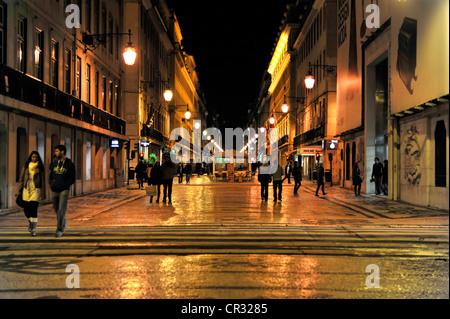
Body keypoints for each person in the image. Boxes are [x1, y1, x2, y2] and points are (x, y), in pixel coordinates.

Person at [16, 151, 46, 236]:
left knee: (34, 208)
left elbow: (43, 181)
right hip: (26, 190)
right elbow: (21, 179)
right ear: (30, 157)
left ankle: (33, 228)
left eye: (36, 157)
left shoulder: (40, 168)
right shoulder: (26, 167)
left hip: (36, 190)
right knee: (26, 209)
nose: (35, 158)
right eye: (33, 157)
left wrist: (43, 193)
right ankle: (30, 222)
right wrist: (18, 191)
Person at [49, 145, 76, 238]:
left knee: (61, 210)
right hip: (54, 189)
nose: (55, 153)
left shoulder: (69, 164)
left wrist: (65, 185)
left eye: (57, 151)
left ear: (62, 152)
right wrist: (51, 184)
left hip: (64, 190)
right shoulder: (55, 162)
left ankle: (59, 229)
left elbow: (73, 178)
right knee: (56, 209)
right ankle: (63, 222)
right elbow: (51, 174)